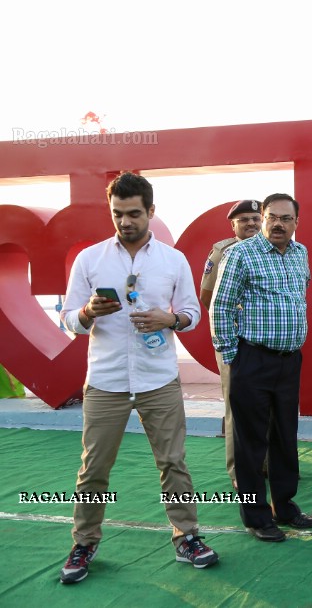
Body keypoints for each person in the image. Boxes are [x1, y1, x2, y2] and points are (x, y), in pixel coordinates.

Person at [59, 171, 217, 583]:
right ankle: (84, 543)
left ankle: (187, 537)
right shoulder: (90, 259)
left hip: (158, 378)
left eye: (133, 213)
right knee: (94, 469)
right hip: (105, 381)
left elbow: (192, 313)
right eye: (117, 214)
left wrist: (171, 318)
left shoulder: (173, 259)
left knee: (174, 463)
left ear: (150, 211)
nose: (124, 221)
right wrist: (88, 313)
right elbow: (68, 320)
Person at [212, 193, 312, 542]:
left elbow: (298, 296)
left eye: (286, 218)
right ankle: (256, 517)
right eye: (272, 216)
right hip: (252, 359)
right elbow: (221, 306)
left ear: (296, 223)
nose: (278, 223)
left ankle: (285, 507)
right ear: (263, 216)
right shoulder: (240, 254)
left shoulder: (301, 254)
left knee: (285, 437)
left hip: (289, 361)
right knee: (250, 444)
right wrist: (232, 356)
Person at [199, 199, 262, 489]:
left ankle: (269, 463)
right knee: (236, 405)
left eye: (255, 218)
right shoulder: (223, 251)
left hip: (265, 340)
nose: (251, 223)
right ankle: (240, 471)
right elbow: (208, 296)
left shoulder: (273, 249)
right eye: (244, 219)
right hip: (235, 340)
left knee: (269, 406)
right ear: (233, 224)